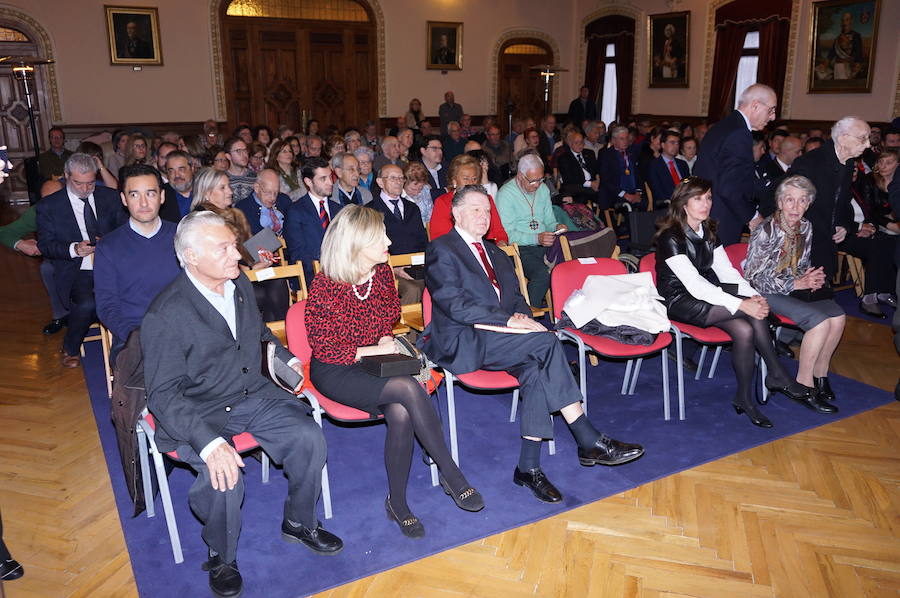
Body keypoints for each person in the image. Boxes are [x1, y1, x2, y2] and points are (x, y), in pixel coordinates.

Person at [142, 211, 341, 598]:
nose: (238, 254)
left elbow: (260, 334)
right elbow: (163, 394)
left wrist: (286, 359)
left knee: (308, 437)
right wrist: (209, 442)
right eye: (225, 248)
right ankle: (222, 554)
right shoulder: (165, 315)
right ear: (191, 257)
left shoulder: (238, 284)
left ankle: (299, 522)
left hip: (248, 393)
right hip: (197, 411)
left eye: (234, 244)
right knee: (224, 475)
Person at [421, 184, 644, 502]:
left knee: (538, 362)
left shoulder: (496, 252)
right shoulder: (442, 249)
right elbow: (453, 305)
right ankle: (587, 436)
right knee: (547, 345)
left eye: (487, 210)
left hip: (504, 338)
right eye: (475, 209)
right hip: (463, 338)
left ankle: (528, 467)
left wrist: (527, 320)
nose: (484, 216)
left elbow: (515, 299)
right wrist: (512, 323)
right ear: (456, 213)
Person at [306, 204, 482, 537]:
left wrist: (385, 335)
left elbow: (390, 314)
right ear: (357, 243)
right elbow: (325, 347)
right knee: (405, 389)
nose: (389, 240)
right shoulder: (326, 284)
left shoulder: (383, 273)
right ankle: (451, 472)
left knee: (401, 413)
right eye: (380, 236)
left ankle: (397, 502)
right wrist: (373, 349)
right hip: (335, 370)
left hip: (377, 363)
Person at [654, 177, 834, 429]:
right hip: (680, 300)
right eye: (698, 199)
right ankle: (777, 374)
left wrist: (753, 296)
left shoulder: (708, 231)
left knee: (746, 328)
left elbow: (727, 273)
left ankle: (745, 398)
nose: (705, 204)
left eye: (708, 198)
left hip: (708, 294)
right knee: (748, 316)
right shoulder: (670, 237)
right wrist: (741, 305)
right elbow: (694, 285)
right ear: (683, 203)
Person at [744, 175, 846, 404]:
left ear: (808, 204)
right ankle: (804, 384)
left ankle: (821, 374)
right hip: (765, 292)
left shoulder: (806, 227)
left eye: (802, 201)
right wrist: (795, 283)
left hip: (791, 288)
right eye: (789, 200)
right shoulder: (766, 230)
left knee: (838, 317)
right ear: (779, 203)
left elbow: (799, 265)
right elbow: (753, 278)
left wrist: (809, 277)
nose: (795, 206)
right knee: (819, 322)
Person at [36, 153, 124, 367]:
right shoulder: (49, 206)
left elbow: (125, 231)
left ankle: (128, 346)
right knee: (87, 303)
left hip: (113, 265)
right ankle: (71, 345)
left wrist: (108, 242)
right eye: (78, 183)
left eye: (90, 183)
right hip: (78, 269)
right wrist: (74, 249)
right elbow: (45, 245)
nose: (85, 189)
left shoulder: (110, 197)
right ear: (66, 176)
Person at [94, 164, 180, 363]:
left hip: (182, 328)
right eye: (134, 195)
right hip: (134, 333)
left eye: (150, 194)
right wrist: (135, 336)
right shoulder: (109, 246)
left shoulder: (182, 236)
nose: (143, 203)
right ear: (124, 200)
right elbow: (107, 305)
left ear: (162, 196)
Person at [694, 84, 778, 244]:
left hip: (706, 213)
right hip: (721, 220)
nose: (773, 117)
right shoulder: (739, 133)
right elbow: (730, 188)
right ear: (755, 106)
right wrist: (752, 216)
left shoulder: (723, 126)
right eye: (771, 110)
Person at [495, 154, 564, 305]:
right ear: (520, 176)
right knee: (542, 274)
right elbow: (507, 234)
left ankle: (564, 311)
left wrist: (556, 226)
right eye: (533, 180)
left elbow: (549, 221)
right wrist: (536, 238)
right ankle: (528, 313)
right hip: (520, 248)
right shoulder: (505, 194)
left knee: (568, 267)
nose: (537, 185)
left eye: (541, 179)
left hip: (545, 244)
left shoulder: (543, 189)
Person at [370, 164, 428, 304]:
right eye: (393, 178)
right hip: (387, 270)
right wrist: (393, 269)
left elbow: (423, 241)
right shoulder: (371, 210)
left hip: (416, 267)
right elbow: (369, 250)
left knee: (442, 281)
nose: (398, 181)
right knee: (412, 290)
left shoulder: (412, 208)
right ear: (380, 182)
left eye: (401, 178)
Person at [283, 157, 343, 283]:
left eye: (330, 177)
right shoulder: (295, 211)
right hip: (311, 274)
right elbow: (297, 253)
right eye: (323, 179)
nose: (330, 182)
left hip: (341, 272)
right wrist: (326, 267)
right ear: (308, 182)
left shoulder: (338, 209)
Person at [430, 154, 508, 245]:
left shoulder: (486, 200)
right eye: (466, 179)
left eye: (474, 179)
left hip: (488, 248)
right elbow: (439, 238)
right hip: (456, 252)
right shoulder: (443, 202)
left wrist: (502, 244)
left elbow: (499, 232)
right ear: (454, 181)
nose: (471, 183)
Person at [599, 125, 644, 211]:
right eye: (622, 139)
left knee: (645, 203)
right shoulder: (606, 155)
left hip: (633, 191)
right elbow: (606, 180)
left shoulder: (632, 152)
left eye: (626, 138)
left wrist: (638, 192)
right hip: (615, 193)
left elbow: (638, 175)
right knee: (630, 206)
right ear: (613, 140)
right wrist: (624, 194)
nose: (625, 141)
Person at [557, 130, 601, 205]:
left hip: (592, 185)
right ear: (570, 144)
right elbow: (569, 179)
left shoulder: (590, 153)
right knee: (579, 194)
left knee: (604, 191)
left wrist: (598, 181)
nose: (579, 145)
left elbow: (597, 170)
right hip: (576, 186)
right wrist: (590, 184)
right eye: (576, 143)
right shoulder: (564, 158)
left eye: (581, 143)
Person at [159, 150, 195, 222]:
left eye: (181, 169)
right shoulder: (160, 195)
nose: (177, 175)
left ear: (192, 168)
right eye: (171, 171)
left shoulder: (205, 190)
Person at [224, 137, 257, 203]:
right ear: (228, 156)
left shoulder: (255, 177)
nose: (244, 155)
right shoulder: (222, 178)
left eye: (245, 150)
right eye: (238, 151)